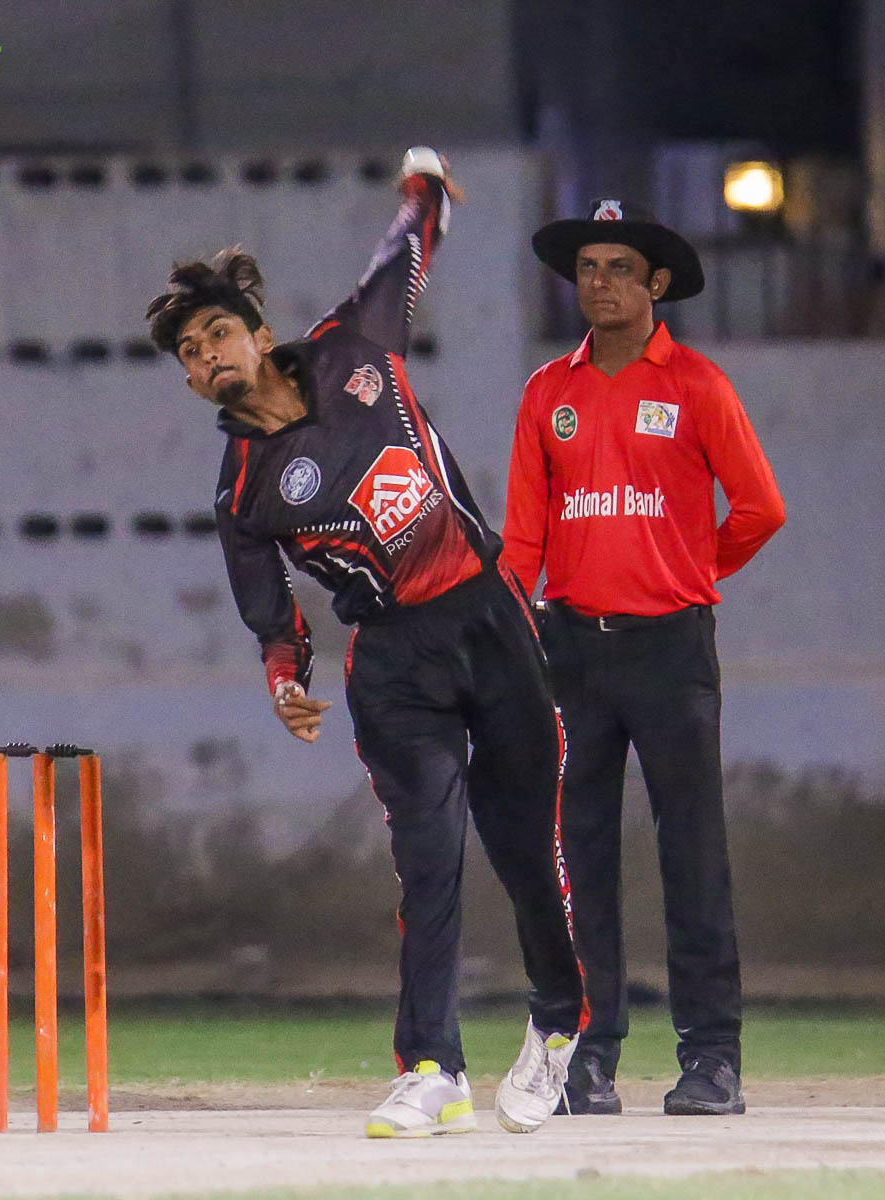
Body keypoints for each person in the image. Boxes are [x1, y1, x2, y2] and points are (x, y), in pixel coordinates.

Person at [146, 148, 587, 1137]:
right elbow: (271, 612)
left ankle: (558, 1024)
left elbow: (405, 248)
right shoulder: (242, 490)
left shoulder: (355, 346)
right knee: (427, 860)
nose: (205, 356)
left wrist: (423, 186)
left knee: (524, 849)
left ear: (259, 336)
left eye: (217, 334)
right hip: (391, 664)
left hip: (487, 619)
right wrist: (284, 681)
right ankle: (432, 1067)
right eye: (189, 354)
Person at [503, 199, 785, 1117]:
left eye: (619, 268)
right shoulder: (547, 393)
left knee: (691, 852)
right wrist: (506, 637)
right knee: (578, 859)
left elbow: (760, 508)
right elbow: (521, 539)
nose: (600, 284)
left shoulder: (696, 384)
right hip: (568, 649)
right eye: (587, 268)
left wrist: (689, 568)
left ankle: (711, 1059)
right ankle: (585, 1060)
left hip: (670, 646)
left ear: (656, 283)